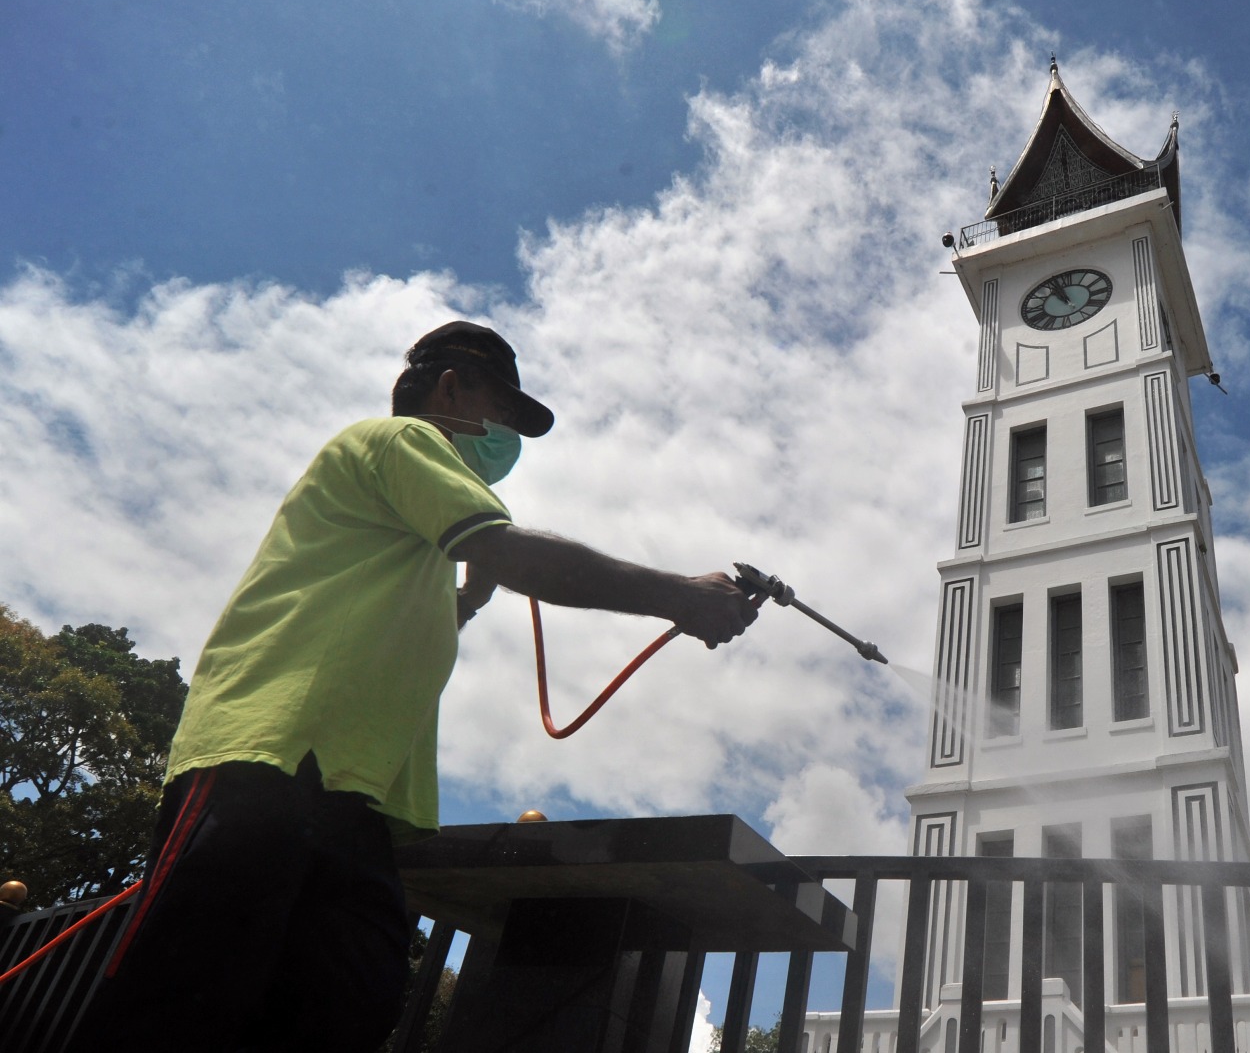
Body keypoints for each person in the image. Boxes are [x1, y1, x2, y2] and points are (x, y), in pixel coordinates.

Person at [69, 321, 758, 1053]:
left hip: (349, 799)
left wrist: (464, 604)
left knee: (336, 1009)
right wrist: (680, 593)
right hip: (267, 758)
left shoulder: (410, 531)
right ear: (451, 386)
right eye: (503, 411)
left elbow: (388, 622)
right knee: (176, 1010)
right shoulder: (401, 441)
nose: (506, 439)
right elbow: (507, 547)